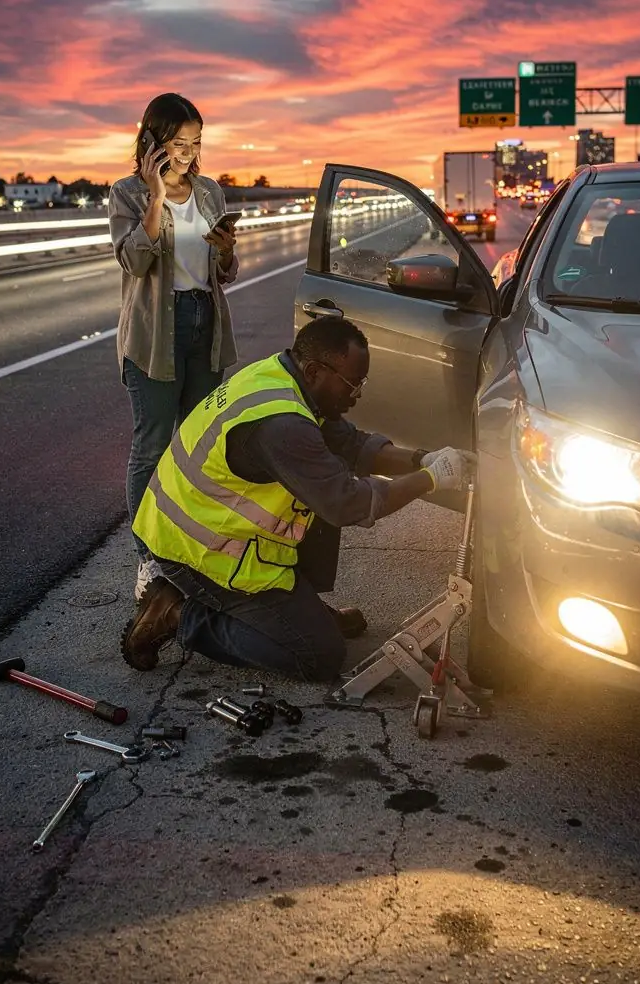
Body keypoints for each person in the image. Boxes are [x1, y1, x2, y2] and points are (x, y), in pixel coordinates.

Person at [119, 316, 472, 683]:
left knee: (324, 478)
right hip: (195, 552)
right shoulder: (282, 425)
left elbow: (351, 445)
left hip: (209, 530)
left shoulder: (286, 380)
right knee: (318, 655)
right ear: (316, 370)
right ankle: (177, 614)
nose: (357, 395)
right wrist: (432, 479)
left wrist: (421, 458)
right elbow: (348, 504)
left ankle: (297, 612)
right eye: (352, 384)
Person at [108, 93, 239, 603]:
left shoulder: (209, 193)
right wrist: (158, 197)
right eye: (178, 143)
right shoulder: (127, 194)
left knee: (199, 447)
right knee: (153, 445)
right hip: (153, 336)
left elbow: (222, 275)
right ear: (152, 140)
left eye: (196, 142)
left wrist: (227, 254)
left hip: (205, 325)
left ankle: (189, 547)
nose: (188, 153)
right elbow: (135, 263)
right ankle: (149, 561)